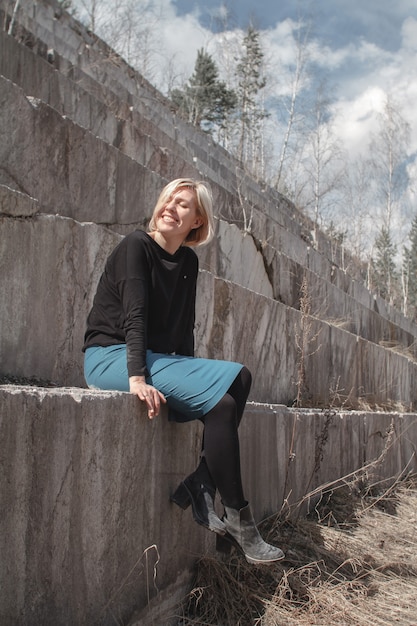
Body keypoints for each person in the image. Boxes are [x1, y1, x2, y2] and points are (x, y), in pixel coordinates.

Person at [83, 178, 284, 564]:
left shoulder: (188, 262)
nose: (171, 207)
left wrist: (194, 382)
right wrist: (137, 379)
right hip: (111, 358)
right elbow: (135, 317)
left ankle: (201, 485)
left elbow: (184, 327)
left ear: (197, 221)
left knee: (233, 387)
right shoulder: (135, 247)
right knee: (229, 392)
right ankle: (240, 519)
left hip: (157, 360)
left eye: (183, 204)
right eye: (168, 200)